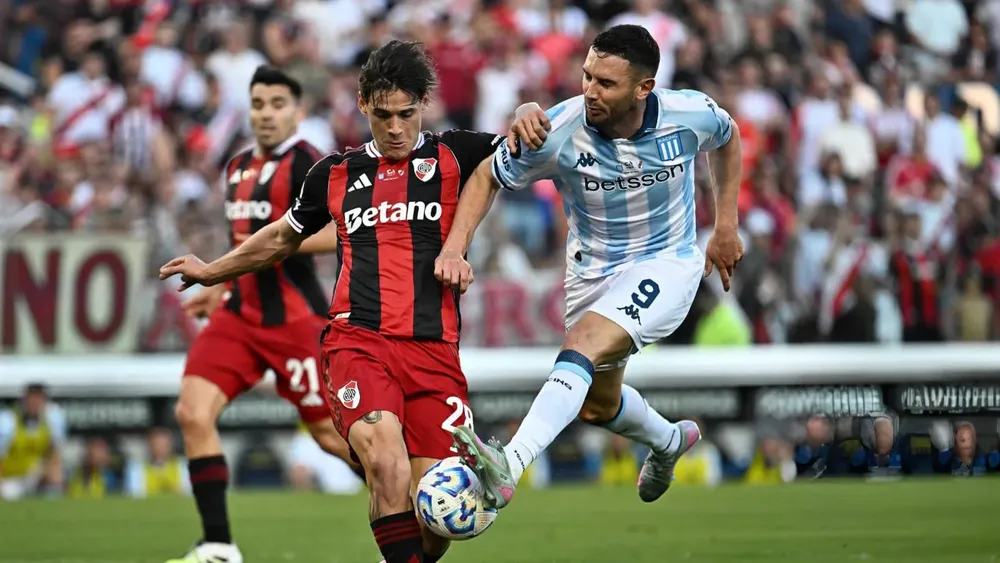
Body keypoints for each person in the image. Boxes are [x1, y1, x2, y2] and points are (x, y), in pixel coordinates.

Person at [159, 41, 547, 563]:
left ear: (424, 104)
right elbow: (280, 239)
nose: (394, 128)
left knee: (433, 522)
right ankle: (217, 542)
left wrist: (525, 111)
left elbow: (524, 146)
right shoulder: (332, 174)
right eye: (383, 115)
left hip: (435, 352)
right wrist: (212, 270)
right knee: (384, 463)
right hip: (357, 343)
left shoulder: (459, 152)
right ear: (363, 105)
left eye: (406, 114)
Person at [434, 24, 744, 510]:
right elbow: (486, 175)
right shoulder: (558, 130)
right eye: (587, 76)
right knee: (598, 406)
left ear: (644, 88)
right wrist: (455, 248)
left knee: (580, 345)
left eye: (606, 83)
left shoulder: (690, 113)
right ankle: (667, 441)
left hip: (667, 263)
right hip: (591, 275)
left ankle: (509, 465)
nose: (589, 92)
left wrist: (726, 226)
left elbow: (728, 138)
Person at [164, 66, 356, 563]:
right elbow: (239, 245)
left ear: (297, 111)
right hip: (239, 316)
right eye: (258, 104)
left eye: (276, 104)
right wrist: (221, 282)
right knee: (191, 412)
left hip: (297, 322)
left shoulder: (309, 163)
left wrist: (279, 246)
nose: (266, 114)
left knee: (336, 440)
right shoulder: (236, 167)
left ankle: (416, 510)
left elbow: (341, 231)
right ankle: (218, 546)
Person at [0, 384, 67, 500]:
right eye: (31, 398)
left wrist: (50, 470)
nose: (35, 403)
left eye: (39, 399)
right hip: (10, 478)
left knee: (56, 472)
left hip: (35, 475)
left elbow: (55, 452)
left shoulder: (53, 418)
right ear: (24, 400)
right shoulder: (8, 420)